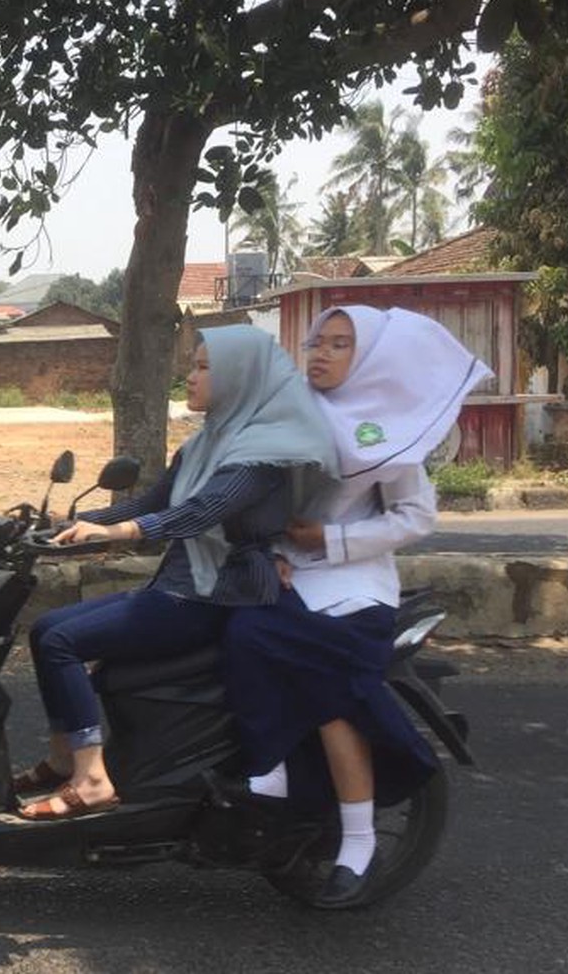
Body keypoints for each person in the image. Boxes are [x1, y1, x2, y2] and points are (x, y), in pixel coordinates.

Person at [220, 305, 491, 907]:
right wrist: (267, 547)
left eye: (340, 345)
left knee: (329, 698)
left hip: (352, 587)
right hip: (287, 576)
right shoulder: (287, 411)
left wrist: (331, 540)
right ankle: (268, 765)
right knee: (239, 635)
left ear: (366, 358)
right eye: (316, 341)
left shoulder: (383, 432)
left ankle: (360, 837)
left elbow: (416, 516)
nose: (321, 353)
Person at [13, 325, 338, 821]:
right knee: (45, 630)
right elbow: (152, 500)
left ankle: (94, 779)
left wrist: (119, 534)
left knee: (63, 643)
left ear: (240, 379)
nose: (190, 377)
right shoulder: (206, 442)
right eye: (194, 365)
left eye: (205, 368)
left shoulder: (259, 456)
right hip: (180, 585)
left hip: (214, 597)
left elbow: (200, 512)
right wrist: (69, 524)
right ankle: (64, 757)